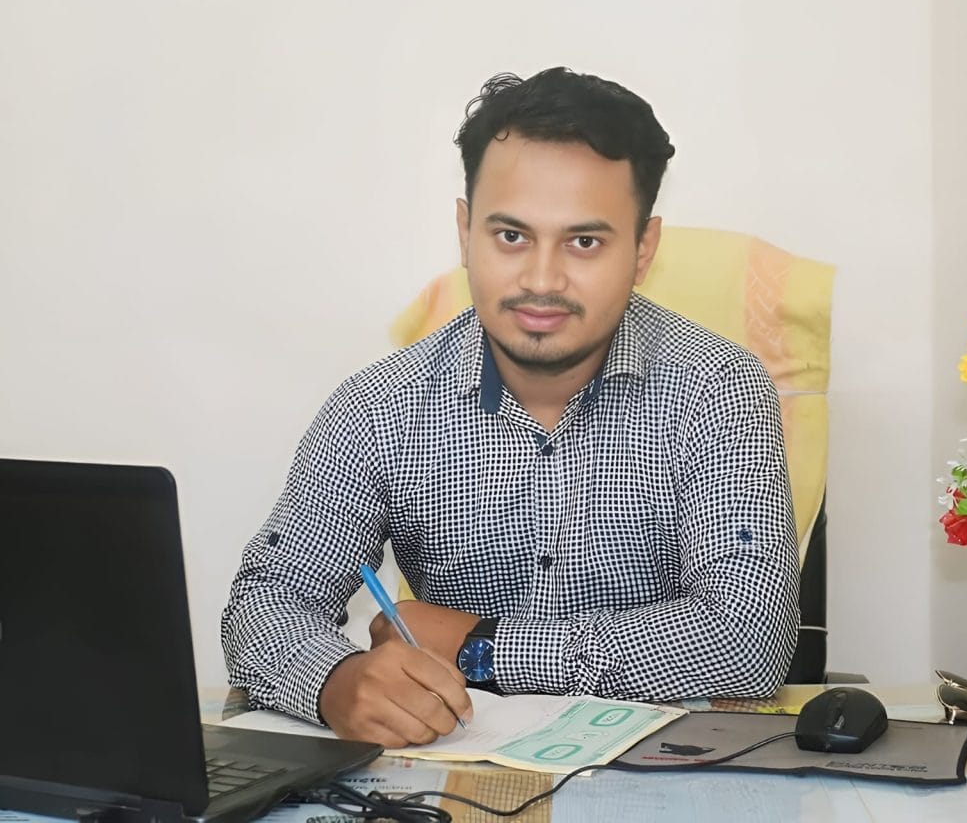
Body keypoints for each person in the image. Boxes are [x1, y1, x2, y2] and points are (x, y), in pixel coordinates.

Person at [222, 67, 800, 748]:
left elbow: (748, 638)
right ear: (465, 230)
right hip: (445, 767)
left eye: (584, 242)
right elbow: (265, 601)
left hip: (661, 768)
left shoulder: (718, 388)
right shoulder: (379, 406)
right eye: (511, 236)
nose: (541, 280)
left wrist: (481, 648)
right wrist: (332, 681)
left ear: (643, 249)